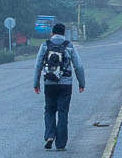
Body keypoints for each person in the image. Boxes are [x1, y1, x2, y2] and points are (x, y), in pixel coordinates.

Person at [33, 22, 85, 150]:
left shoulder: (45, 45)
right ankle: (61, 144)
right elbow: (78, 66)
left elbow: (38, 65)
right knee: (63, 112)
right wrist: (81, 83)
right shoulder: (69, 46)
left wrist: (36, 83)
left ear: (52, 33)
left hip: (49, 83)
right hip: (66, 84)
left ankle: (50, 135)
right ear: (64, 33)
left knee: (49, 110)